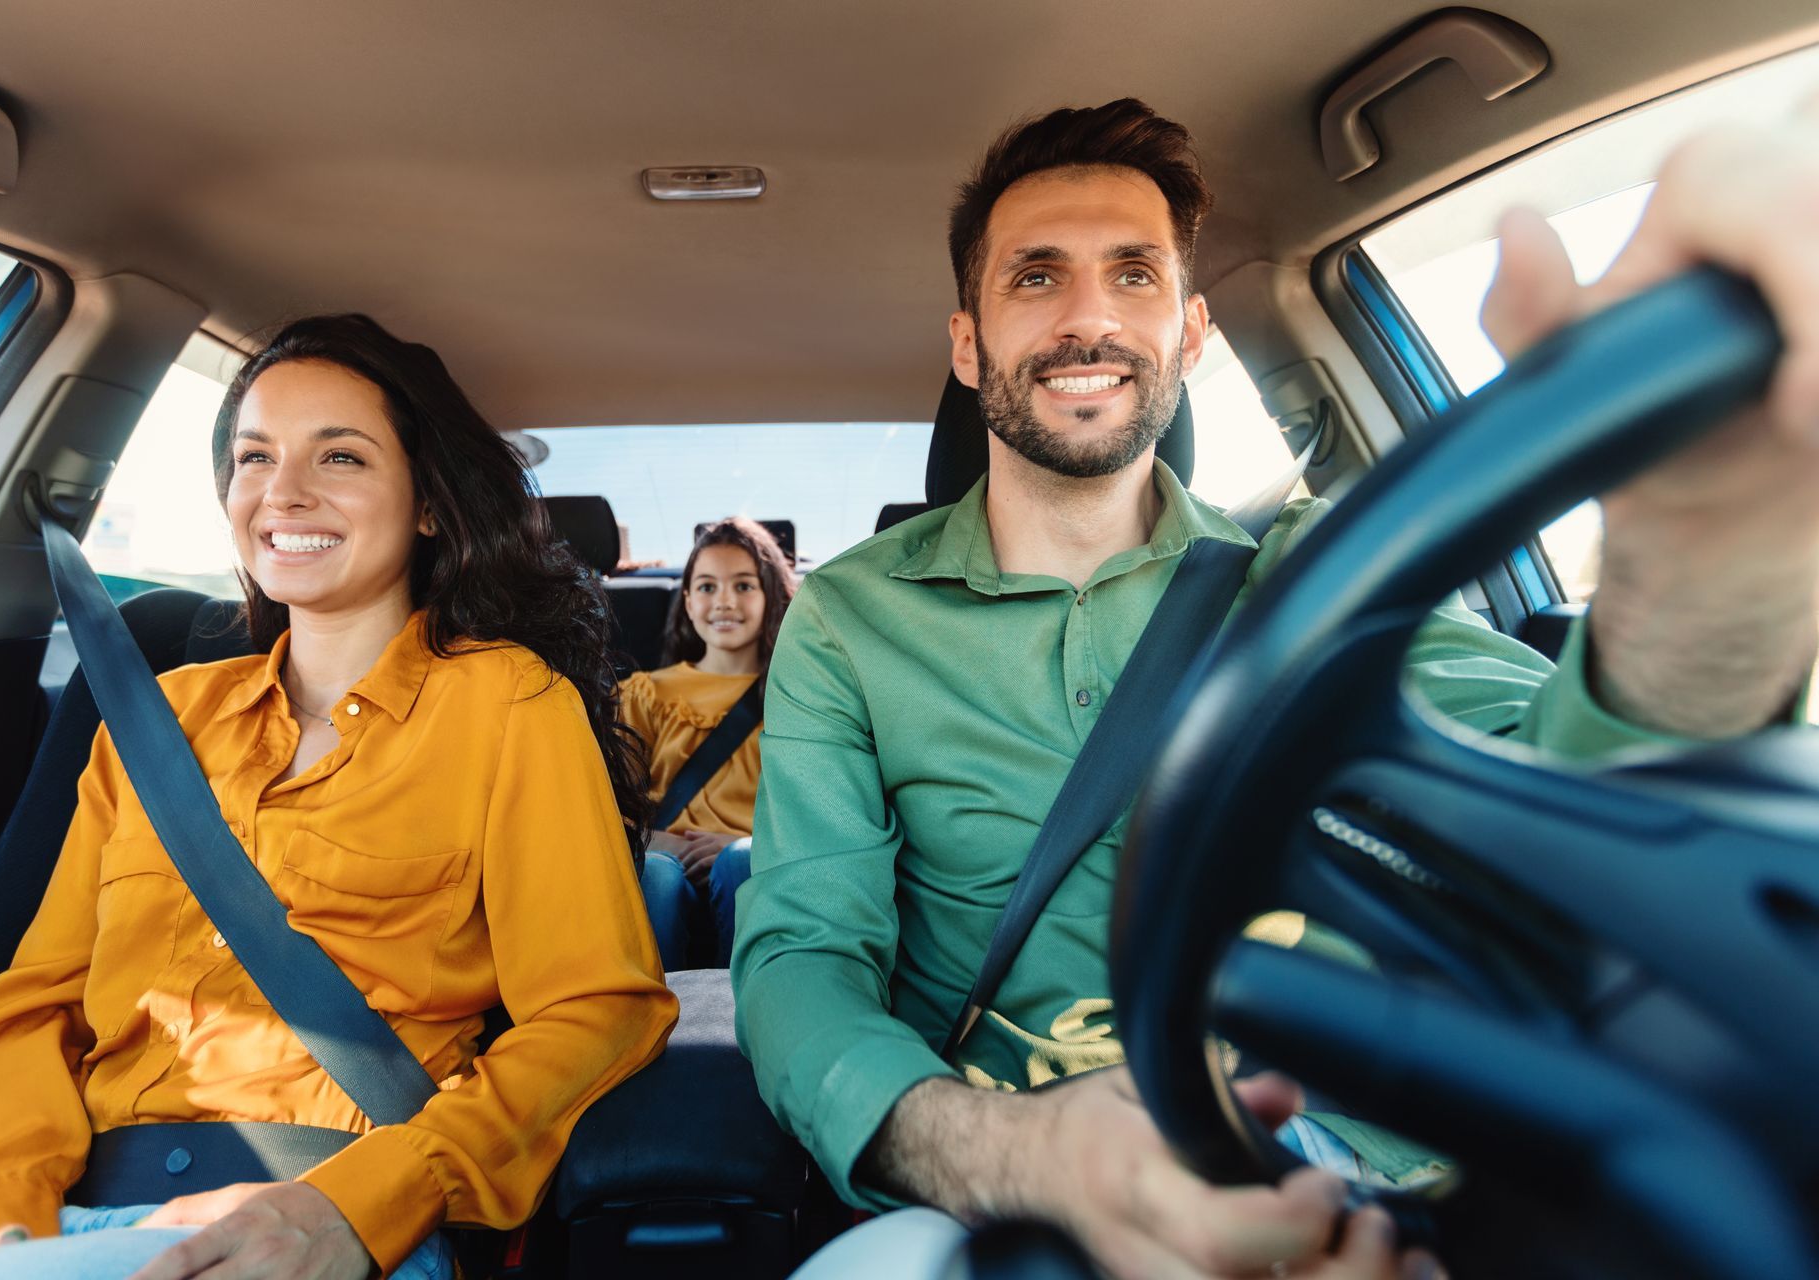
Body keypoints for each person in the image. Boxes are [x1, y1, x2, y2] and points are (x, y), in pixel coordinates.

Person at [732, 96, 1819, 1280]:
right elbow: (802, 963)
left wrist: (1695, 558)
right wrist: (1014, 1153)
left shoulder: (1326, 569)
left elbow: (1572, 793)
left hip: (1368, 1182)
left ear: (1191, 334)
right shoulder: (848, 617)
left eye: (1134, 274)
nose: (1089, 314)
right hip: (1008, 1191)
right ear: (966, 341)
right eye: (1036, 277)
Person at [0, 315, 679, 1279]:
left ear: (429, 504)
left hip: (327, 1220)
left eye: (340, 456)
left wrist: (358, 1208)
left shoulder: (508, 702)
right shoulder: (160, 717)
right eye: (254, 455)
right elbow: (35, 1004)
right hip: (66, 1210)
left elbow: (597, 1009)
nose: (284, 492)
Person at [626, 516, 797, 967]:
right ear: (686, 600)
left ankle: (751, 1016)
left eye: (743, 586)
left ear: (770, 596)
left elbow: (816, 811)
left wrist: (747, 844)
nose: (724, 601)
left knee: (740, 863)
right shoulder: (646, 694)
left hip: (758, 868)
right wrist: (662, 843)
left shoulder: (799, 695)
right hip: (662, 862)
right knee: (655, 877)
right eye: (706, 587)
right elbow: (607, 810)